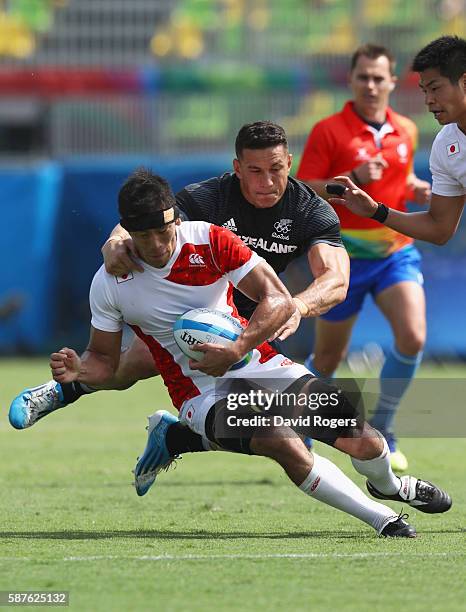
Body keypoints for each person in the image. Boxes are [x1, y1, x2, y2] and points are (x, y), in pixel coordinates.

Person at [48, 168, 451, 537]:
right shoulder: (109, 282)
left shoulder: (209, 239)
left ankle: (391, 487)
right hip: (198, 394)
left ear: (176, 219)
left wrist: (237, 348)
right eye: (142, 235)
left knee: (364, 439)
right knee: (282, 440)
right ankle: (384, 521)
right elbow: (104, 361)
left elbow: (275, 297)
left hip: (257, 362)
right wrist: (80, 369)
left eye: (162, 231)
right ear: (125, 232)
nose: (155, 244)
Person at [10, 122, 349, 458]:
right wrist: (116, 239)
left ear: (289, 163)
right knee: (131, 366)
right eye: (255, 170)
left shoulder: (310, 210)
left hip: (262, 312)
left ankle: (175, 438)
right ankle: (63, 389)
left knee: (267, 423)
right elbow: (150, 219)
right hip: (204, 308)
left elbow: (335, 279)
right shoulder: (208, 199)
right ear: (237, 168)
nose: (267, 181)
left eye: (276, 169)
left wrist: (297, 307)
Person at [296, 44, 432, 472]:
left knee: (413, 337)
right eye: (364, 77)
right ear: (351, 80)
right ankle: (301, 426)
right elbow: (301, 190)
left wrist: (414, 190)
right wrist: (351, 179)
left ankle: (384, 429)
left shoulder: (407, 129)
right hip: (343, 256)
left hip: (394, 251)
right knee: (329, 360)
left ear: (393, 82)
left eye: (379, 77)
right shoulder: (329, 130)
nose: (371, 85)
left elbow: (400, 178)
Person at [323, 35, 466, 244]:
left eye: (435, 88)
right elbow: (439, 229)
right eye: (425, 91)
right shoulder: (445, 146)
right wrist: (376, 211)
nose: (428, 100)